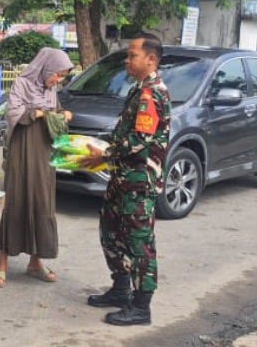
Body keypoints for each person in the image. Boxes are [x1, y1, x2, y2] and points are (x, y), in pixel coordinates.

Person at [79, 33, 171, 326]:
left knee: (138, 241)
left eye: (132, 55)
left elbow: (139, 140)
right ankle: (120, 290)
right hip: (123, 176)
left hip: (139, 180)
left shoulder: (151, 93)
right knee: (111, 232)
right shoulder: (139, 89)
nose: (127, 60)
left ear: (151, 59)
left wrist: (103, 155)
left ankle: (141, 307)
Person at [0, 47, 74, 288]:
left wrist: (63, 113)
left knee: (42, 201)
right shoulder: (22, 83)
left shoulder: (52, 90)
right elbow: (13, 112)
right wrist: (37, 113)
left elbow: (54, 111)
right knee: (16, 200)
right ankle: (3, 264)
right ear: (46, 68)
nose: (57, 81)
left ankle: (35, 262)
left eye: (61, 77)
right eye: (56, 75)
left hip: (44, 151)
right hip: (22, 148)